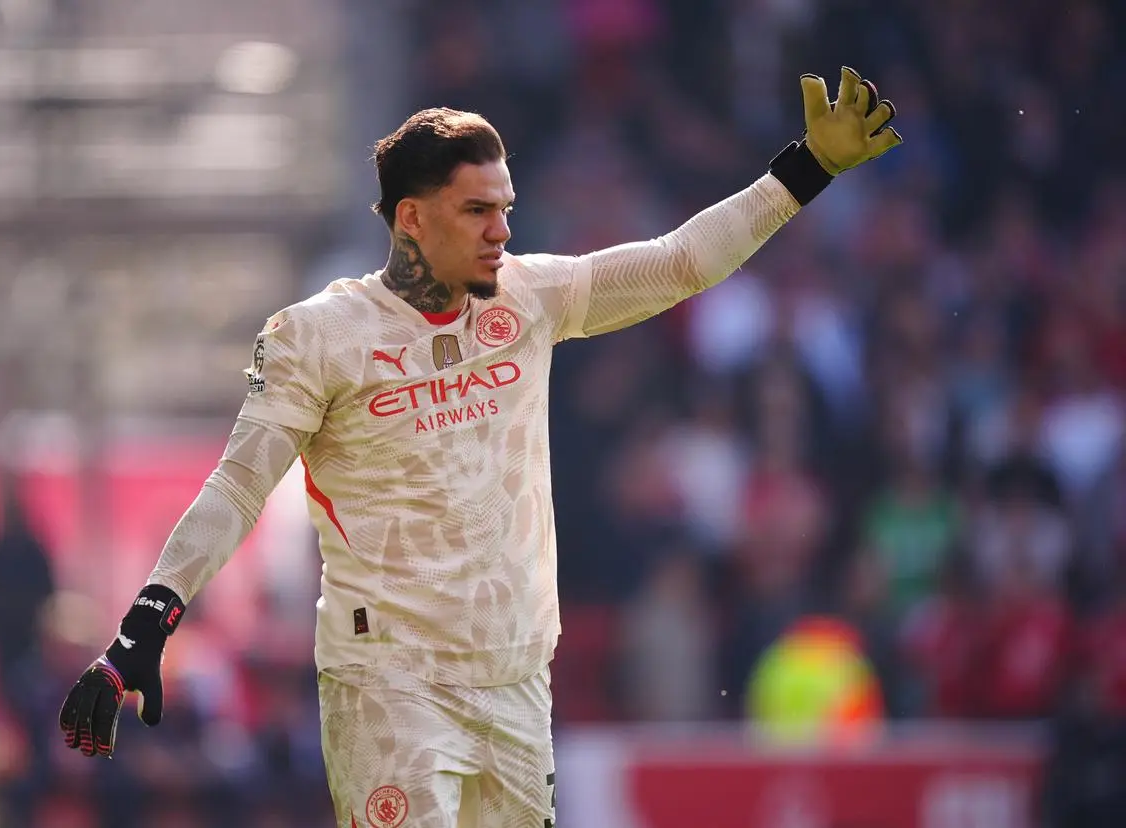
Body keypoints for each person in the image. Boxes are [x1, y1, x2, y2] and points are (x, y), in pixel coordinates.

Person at [60, 67, 901, 827]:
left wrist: (804, 171)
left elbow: (678, 263)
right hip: (390, 685)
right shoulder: (317, 338)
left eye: (506, 207)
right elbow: (239, 487)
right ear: (412, 219)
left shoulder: (530, 297)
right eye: (477, 210)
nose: (501, 229)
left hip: (514, 676)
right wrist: (147, 624)